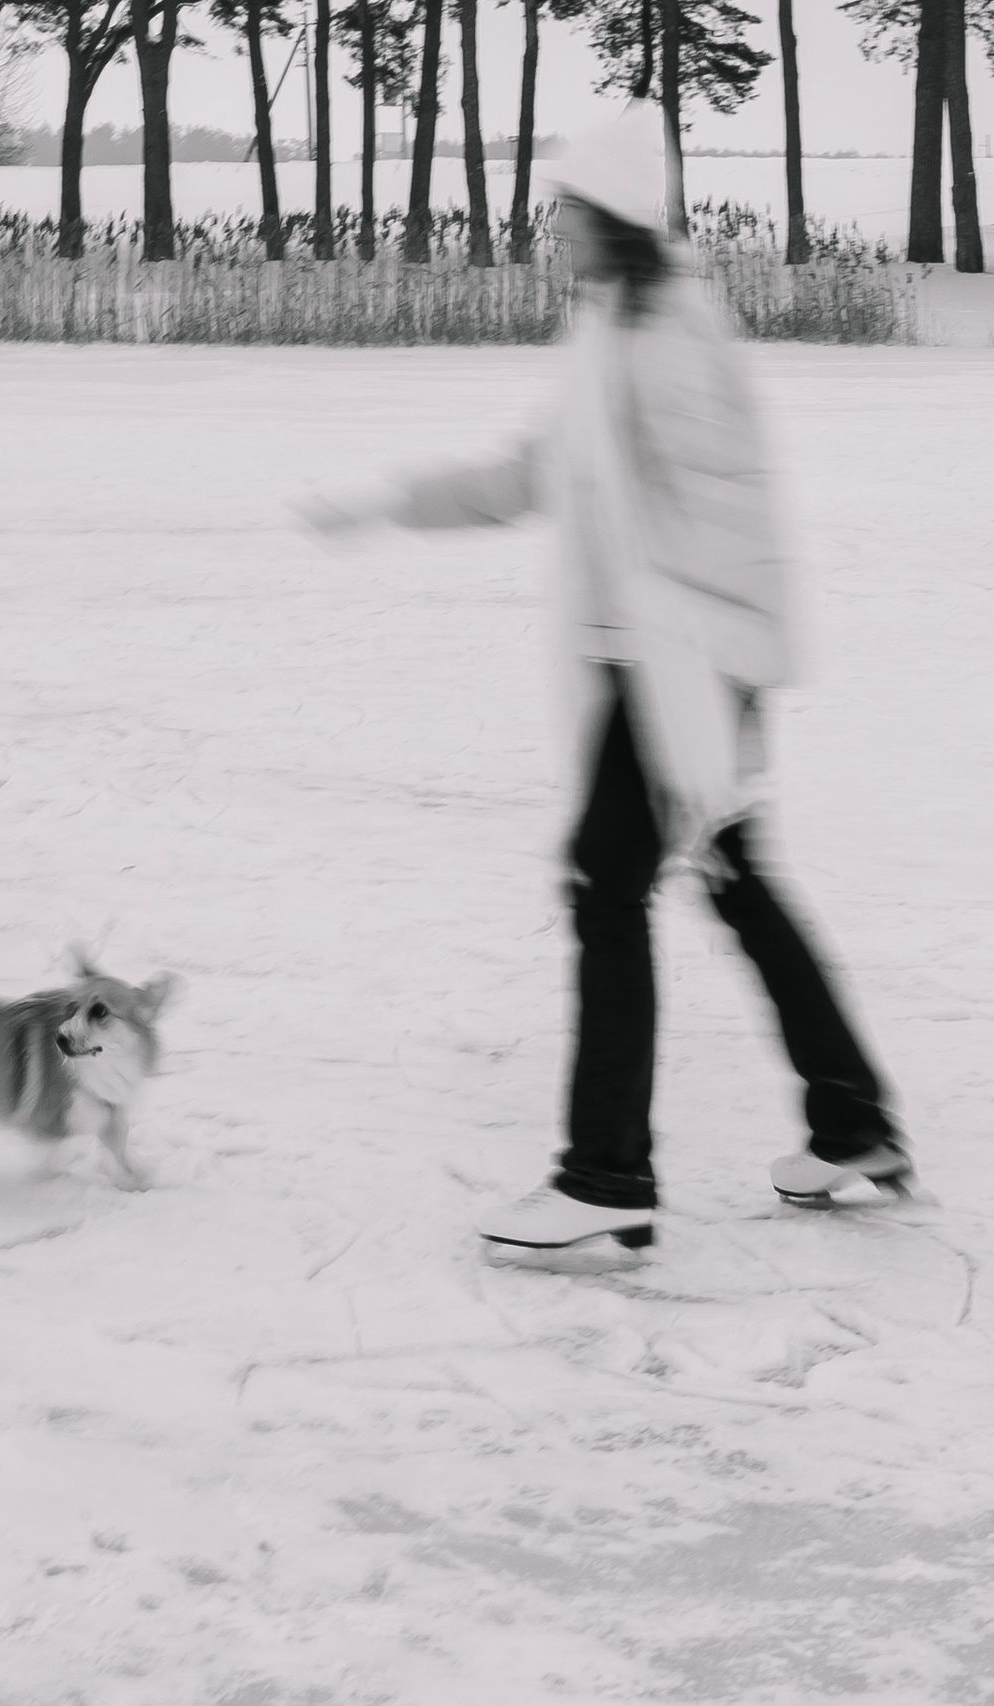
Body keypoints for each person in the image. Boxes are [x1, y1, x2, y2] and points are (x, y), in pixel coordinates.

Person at [309, 108, 908, 1267]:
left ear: (619, 219)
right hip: (670, 662)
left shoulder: (662, 335)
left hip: (677, 662)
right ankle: (853, 1126)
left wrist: (707, 677)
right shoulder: (619, 326)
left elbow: (721, 517)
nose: (555, 229)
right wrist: (392, 503)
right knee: (733, 878)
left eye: (571, 210)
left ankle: (604, 1178)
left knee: (606, 885)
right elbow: (538, 472)